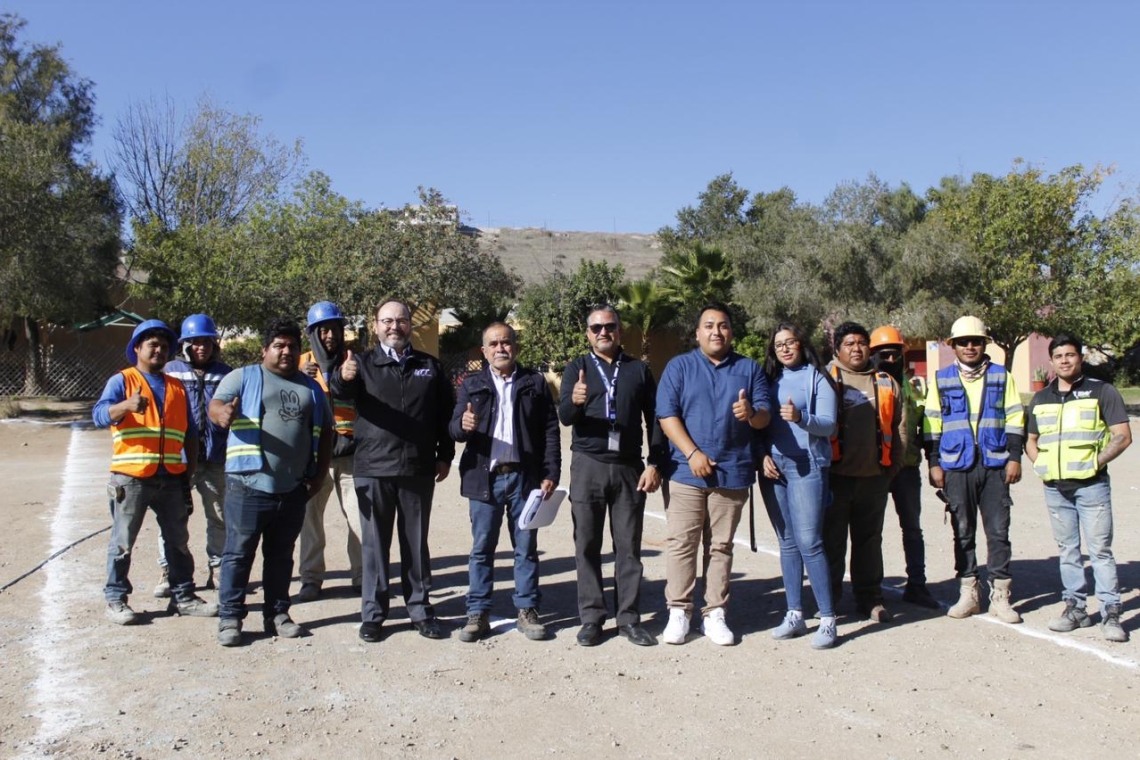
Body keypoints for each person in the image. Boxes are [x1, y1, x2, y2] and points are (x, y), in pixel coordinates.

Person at [330, 300, 455, 642]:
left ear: (410, 325)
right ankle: (373, 614)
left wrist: (445, 454)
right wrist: (342, 376)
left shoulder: (430, 367)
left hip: (417, 468)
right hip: (373, 468)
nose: (394, 327)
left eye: (400, 320)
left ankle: (420, 609)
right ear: (375, 325)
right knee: (373, 546)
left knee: (415, 545)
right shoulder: (362, 364)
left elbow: (446, 414)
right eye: (387, 321)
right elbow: (341, 391)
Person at [209, 318, 333, 646]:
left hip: (292, 488)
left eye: (292, 346)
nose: (286, 352)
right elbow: (216, 405)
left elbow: (326, 435)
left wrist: (318, 477)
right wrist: (222, 415)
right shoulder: (244, 376)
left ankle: (277, 614)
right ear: (264, 350)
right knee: (238, 553)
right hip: (248, 485)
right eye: (279, 345)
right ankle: (230, 618)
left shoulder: (312, 390)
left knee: (280, 555)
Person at [656, 303, 770, 646]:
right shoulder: (679, 367)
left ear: (731, 332)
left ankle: (715, 613)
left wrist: (751, 413)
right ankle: (679, 611)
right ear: (697, 333)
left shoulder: (750, 370)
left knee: (720, 547)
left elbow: (765, 416)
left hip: (732, 474)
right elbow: (666, 415)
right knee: (682, 544)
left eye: (722, 326)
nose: (716, 332)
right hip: (686, 473)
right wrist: (692, 453)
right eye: (709, 325)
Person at [558, 305, 667, 647]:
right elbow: (563, 417)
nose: (603, 332)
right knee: (587, 544)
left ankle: (628, 618)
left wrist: (655, 463)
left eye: (609, 326)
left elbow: (656, 418)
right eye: (596, 328)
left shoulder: (638, 369)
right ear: (587, 333)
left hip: (629, 467)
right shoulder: (577, 367)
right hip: (588, 463)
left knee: (628, 547)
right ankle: (592, 617)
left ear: (619, 330)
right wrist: (574, 402)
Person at [94, 319, 217, 625]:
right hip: (131, 476)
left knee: (178, 541)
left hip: (172, 476)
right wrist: (125, 406)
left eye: (164, 346)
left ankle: (184, 597)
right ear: (137, 348)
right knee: (122, 542)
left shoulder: (176, 385)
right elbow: (98, 415)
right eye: (153, 345)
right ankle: (116, 599)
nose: (160, 350)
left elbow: (188, 431)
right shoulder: (122, 381)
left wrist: (187, 471)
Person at [449, 322, 560, 643]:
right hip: (484, 479)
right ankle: (478, 612)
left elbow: (550, 431)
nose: (501, 348)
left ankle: (527, 610)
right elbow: (454, 429)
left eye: (506, 342)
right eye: (493, 344)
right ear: (484, 351)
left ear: (515, 346)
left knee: (525, 549)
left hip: (525, 479)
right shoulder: (472, 385)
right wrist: (463, 424)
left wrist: (550, 472)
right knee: (482, 549)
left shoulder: (534, 383)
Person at [1026, 333, 1131, 642]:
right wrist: (1040, 465)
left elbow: (1122, 435)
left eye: (1070, 355)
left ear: (1080, 357)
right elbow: (1030, 441)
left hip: (1092, 487)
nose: (1065, 361)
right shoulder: (1041, 398)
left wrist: (1095, 463)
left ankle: (1111, 611)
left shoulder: (1102, 391)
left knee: (1099, 550)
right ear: (1051, 362)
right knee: (1068, 550)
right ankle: (1076, 608)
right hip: (1055, 488)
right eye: (1059, 356)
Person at [923, 316, 1024, 624]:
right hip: (956, 465)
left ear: (984, 344)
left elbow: (1015, 417)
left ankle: (1000, 595)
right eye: (963, 342)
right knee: (963, 531)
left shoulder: (1002, 376)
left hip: (994, 464)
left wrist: (1015, 457)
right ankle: (968, 592)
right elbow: (931, 424)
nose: (970, 347)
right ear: (953, 346)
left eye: (976, 341)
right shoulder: (941, 379)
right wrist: (934, 462)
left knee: (998, 532)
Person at [758, 322, 839, 649]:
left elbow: (829, 425)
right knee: (787, 542)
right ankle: (794, 613)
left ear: (802, 345)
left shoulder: (817, 379)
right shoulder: (768, 380)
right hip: (776, 467)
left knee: (810, 541)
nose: (785, 349)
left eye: (791, 342)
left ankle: (828, 617)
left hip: (808, 465)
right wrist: (763, 455)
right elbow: (760, 425)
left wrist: (800, 418)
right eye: (779, 345)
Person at [824, 322, 906, 623]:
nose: (856, 348)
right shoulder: (824, 378)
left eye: (861, 343)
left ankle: (869, 598)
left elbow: (900, 426)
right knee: (831, 542)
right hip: (835, 477)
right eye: (849, 343)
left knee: (869, 541)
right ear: (837, 349)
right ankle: (828, 600)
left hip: (874, 478)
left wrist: (892, 466)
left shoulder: (885, 382)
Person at [156, 313, 232, 596]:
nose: (201, 347)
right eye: (195, 342)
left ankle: (218, 568)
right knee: (172, 518)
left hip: (215, 457)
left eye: (207, 342)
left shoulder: (225, 373)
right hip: (178, 458)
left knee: (219, 515)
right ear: (185, 344)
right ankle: (168, 571)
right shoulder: (170, 370)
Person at [869, 325, 940, 610]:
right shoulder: (868, 384)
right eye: (883, 354)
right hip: (874, 470)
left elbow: (925, 427)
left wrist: (934, 462)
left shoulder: (913, 386)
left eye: (894, 353)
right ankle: (871, 590)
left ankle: (917, 585)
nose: (889, 359)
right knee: (871, 532)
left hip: (907, 469)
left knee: (912, 528)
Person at [296, 301, 363, 602]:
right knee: (310, 522)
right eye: (323, 330)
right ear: (312, 333)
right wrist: (298, 375)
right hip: (313, 458)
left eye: (335, 329)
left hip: (350, 456)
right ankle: (311, 579)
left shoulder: (354, 362)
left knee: (360, 519)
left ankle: (363, 577)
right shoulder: (298, 364)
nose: (330, 335)